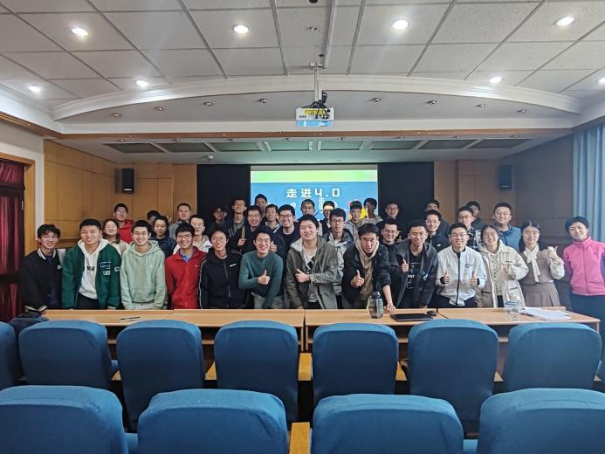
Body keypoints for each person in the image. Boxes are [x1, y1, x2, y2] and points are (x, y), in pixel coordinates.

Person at [62, 219, 121, 310]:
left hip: (104, 298)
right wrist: (68, 305)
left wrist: (113, 304)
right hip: (82, 297)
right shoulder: (73, 253)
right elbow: (68, 280)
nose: (88, 235)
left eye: (93, 232)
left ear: (100, 233)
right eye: (84, 232)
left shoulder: (111, 252)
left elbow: (115, 280)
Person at [563, 216, 605, 340]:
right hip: (578, 296)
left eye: (580, 227)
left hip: (601, 295)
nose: (577, 231)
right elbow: (568, 271)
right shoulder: (568, 251)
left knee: (602, 328)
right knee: (583, 329)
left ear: (587, 229)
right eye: (572, 229)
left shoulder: (601, 247)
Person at [285, 215, 338, 310]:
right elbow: (290, 281)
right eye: (303, 228)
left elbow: (332, 275)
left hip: (325, 302)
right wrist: (297, 304)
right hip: (302, 301)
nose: (307, 230)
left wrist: (309, 277)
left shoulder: (329, 250)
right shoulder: (293, 252)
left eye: (310, 227)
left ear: (317, 229)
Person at [342, 223, 396, 311]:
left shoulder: (382, 251)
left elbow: (384, 274)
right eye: (365, 239)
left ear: (377, 238)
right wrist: (354, 282)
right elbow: (347, 277)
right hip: (354, 297)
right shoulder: (350, 252)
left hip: (375, 296)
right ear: (359, 238)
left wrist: (389, 302)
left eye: (372, 240)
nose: (368, 244)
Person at [434, 223, 487, 308]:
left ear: (467, 237)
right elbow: (436, 279)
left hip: (468, 299)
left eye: (462, 235)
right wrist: (442, 280)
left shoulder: (476, 256)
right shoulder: (441, 255)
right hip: (445, 299)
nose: (458, 238)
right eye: (455, 235)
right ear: (450, 238)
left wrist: (477, 281)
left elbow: (483, 278)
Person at [477, 224, 528, 308]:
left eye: (493, 233)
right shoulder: (478, 256)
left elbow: (524, 270)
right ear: (482, 237)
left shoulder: (510, 251)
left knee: (511, 315)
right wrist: (478, 302)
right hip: (488, 297)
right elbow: (477, 281)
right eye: (486, 234)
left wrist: (511, 270)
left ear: (498, 235)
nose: (490, 237)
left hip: (510, 295)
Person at [120, 220, 167, 310]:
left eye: (143, 233)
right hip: (132, 304)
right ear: (132, 235)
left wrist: (157, 305)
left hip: (153, 303)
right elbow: (123, 281)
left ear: (149, 235)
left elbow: (161, 283)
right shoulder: (126, 254)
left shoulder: (158, 254)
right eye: (137, 233)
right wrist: (128, 305)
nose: (140, 237)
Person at [518, 221, 564, 307]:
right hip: (526, 292)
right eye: (527, 232)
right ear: (522, 234)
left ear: (539, 234)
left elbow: (558, 275)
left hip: (548, 292)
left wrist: (556, 259)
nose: (531, 236)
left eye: (535, 232)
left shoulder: (548, 251)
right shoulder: (516, 253)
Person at [394, 220, 439, 308]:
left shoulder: (432, 252)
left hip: (420, 293)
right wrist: (400, 270)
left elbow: (431, 280)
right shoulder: (398, 250)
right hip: (402, 293)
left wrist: (424, 303)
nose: (418, 237)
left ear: (426, 235)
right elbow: (390, 275)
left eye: (421, 234)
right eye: (414, 234)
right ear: (409, 236)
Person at [199, 226, 246, 309]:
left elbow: (245, 280)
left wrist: (244, 303)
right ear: (210, 241)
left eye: (221, 238)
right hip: (216, 308)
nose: (218, 241)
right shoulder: (206, 263)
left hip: (239, 306)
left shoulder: (237, 257)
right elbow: (203, 289)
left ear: (227, 240)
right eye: (214, 238)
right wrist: (204, 310)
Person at [238, 226, 284, 309]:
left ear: (271, 243)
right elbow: (242, 283)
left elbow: (275, 287)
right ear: (254, 242)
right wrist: (258, 280)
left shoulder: (277, 260)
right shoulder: (246, 257)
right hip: (258, 296)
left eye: (266, 241)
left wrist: (265, 307)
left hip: (276, 297)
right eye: (259, 240)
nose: (263, 243)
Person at [19, 224, 63, 310]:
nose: (50, 240)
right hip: (37, 308)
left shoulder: (62, 257)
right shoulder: (28, 261)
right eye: (46, 236)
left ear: (57, 239)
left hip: (59, 306)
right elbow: (28, 286)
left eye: (54, 237)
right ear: (39, 239)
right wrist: (40, 306)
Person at [165, 224, 205, 310]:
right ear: (176, 238)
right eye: (180, 236)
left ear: (193, 238)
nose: (183, 239)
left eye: (187, 236)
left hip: (200, 307)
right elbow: (170, 288)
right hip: (178, 307)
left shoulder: (203, 257)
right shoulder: (170, 261)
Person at [323, 208, 354, 309]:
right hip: (327, 287)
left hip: (346, 286)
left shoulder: (351, 243)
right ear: (329, 222)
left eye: (340, 221)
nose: (337, 224)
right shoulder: (322, 242)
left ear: (344, 223)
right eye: (334, 221)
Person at [381, 219, 402, 304]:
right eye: (387, 231)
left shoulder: (402, 249)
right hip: (379, 288)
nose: (390, 234)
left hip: (397, 289)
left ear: (397, 233)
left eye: (393, 231)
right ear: (382, 232)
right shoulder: (375, 247)